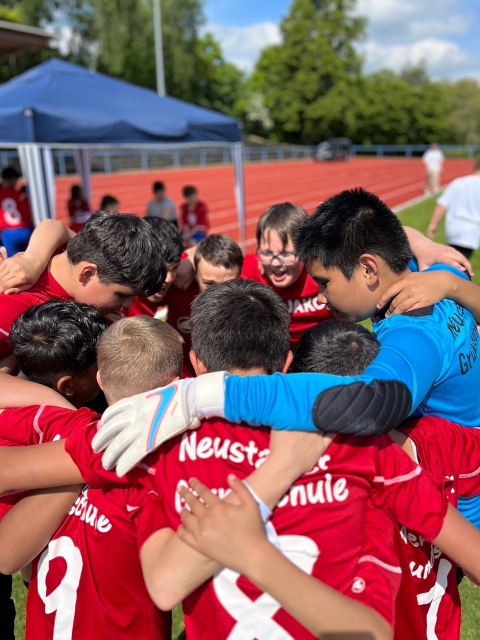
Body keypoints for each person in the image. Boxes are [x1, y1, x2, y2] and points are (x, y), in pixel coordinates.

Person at [0, 280, 469, 640]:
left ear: (196, 365)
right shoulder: (374, 453)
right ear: (287, 364)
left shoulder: (160, 442)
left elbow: (165, 584)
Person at [93, 188, 480, 533]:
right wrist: (452, 282)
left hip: (458, 496)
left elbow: (368, 405)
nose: (322, 297)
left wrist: (204, 395)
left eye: (325, 282)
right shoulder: (436, 276)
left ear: (368, 269)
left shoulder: (413, 335)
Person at [0, 310, 181, 639]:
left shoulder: (58, 424)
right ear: (176, 386)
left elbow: (6, 554)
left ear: (100, 379)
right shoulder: (163, 470)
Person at [0, 211, 166, 358]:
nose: (127, 305)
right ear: (87, 273)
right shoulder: (16, 309)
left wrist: (33, 260)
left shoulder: (75, 257)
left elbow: (56, 227)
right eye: (122, 295)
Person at [162, 233, 243, 377]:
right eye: (209, 284)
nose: (218, 293)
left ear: (240, 276)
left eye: (228, 284)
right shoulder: (178, 284)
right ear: (194, 274)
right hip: (183, 378)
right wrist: (187, 261)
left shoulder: (249, 295)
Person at [427, 155, 480, 260]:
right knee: (461, 262)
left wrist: (433, 224)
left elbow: (442, 204)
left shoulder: (458, 182)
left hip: (454, 227)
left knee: (453, 259)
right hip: (472, 230)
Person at [0, 167, 33, 257]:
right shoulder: (20, 194)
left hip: (7, 233)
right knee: (29, 257)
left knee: (13, 260)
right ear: (13, 179)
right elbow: (28, 213)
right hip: (25, 230)